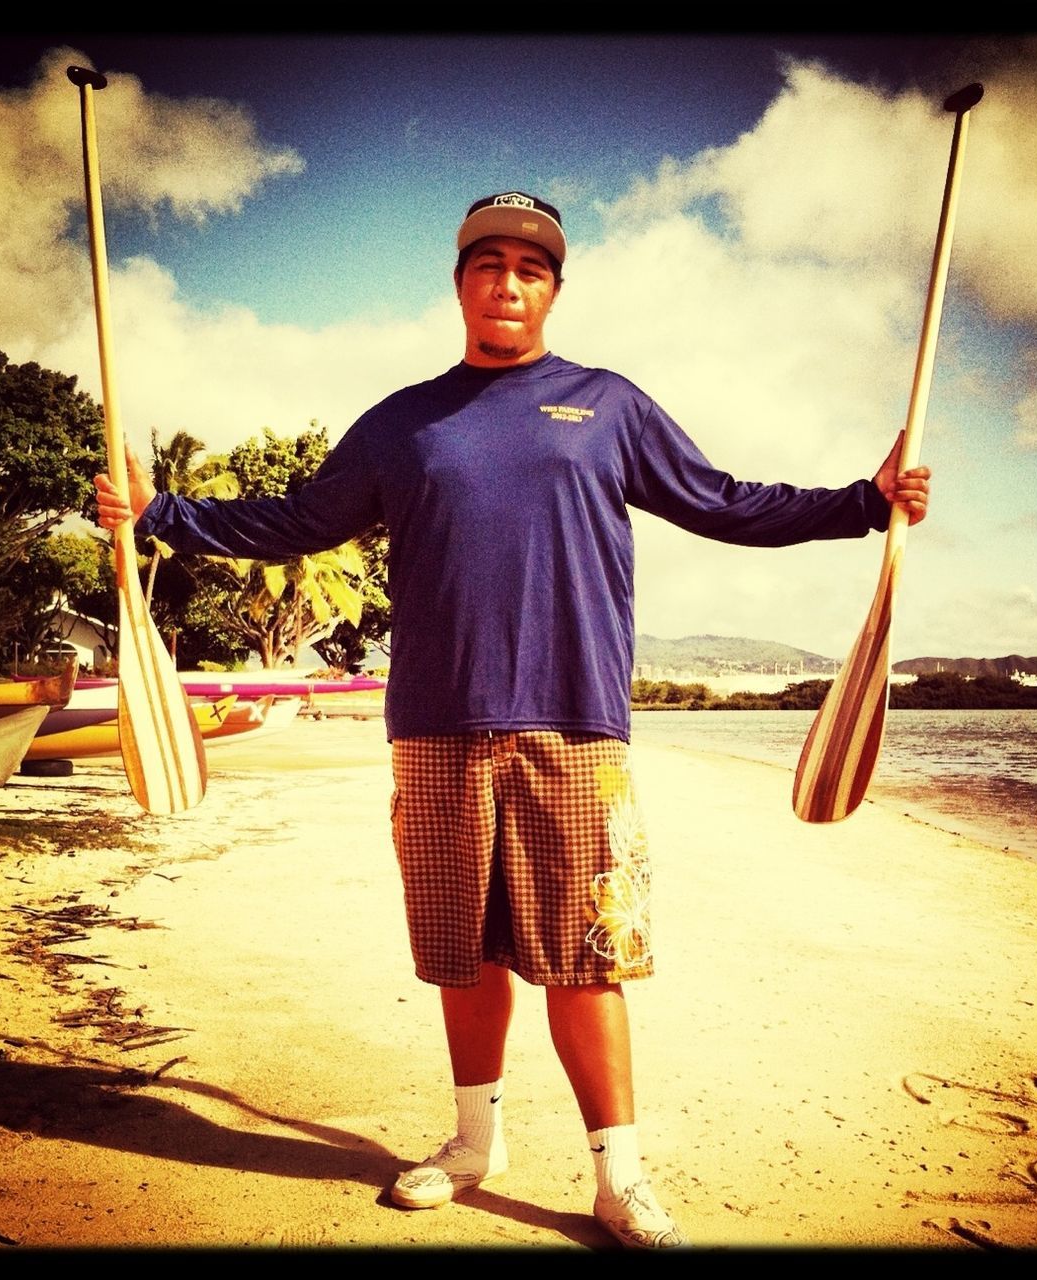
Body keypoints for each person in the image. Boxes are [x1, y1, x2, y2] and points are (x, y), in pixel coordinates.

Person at [95, 190, 931, 1250]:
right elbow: (296, 520)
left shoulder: (607, 405)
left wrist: (863, 501)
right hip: (436, 725)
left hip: (575, 723)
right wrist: (157, 512)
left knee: (590, 955)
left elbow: (725, 501)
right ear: (459, 284)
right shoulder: (402, 422)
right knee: (463, 952)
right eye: (486, 263)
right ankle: (470, 1143)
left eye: (528, 268)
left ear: (552, 289)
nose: (506, 282)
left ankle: (617, 1175)